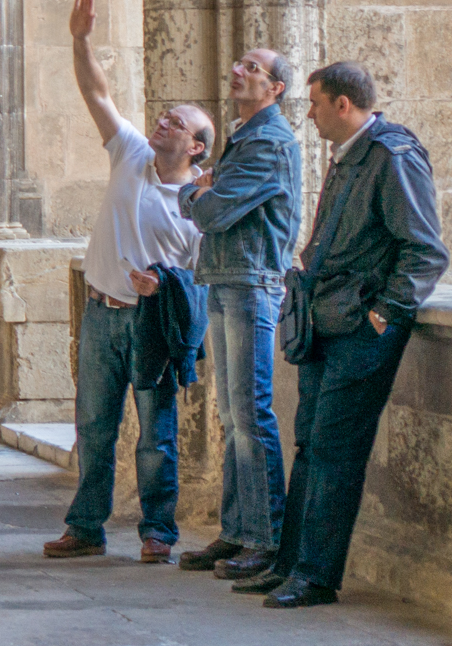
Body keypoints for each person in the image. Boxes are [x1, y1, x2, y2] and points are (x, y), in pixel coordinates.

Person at [231, 62, 448, 608]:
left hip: (361, 329)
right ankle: (291, 565)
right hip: (326, 322)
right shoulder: (350, 155)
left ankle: (316, 576)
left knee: (334, 450)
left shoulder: (392, 156)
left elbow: (424, 250)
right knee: (309, 443)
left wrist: (384, 313)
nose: (308, 114)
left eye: (315, 103)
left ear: (344, 105)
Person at [43, 0, 214, 564]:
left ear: (195, 147)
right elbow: (97, 93)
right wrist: (81, 39)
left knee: (155, 438)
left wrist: (162, 286)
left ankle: (157, 531)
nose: (163, 120)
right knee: (93, 426)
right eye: (165, 115)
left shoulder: (198, 207)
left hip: (150, 325)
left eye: (178, 123)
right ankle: (86, 526)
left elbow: (200, 282)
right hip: (100, 313)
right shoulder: (131, 154)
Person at [176, 48, 301, 579]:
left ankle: (266, 539)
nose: (238, 70)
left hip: (252, 284)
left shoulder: (269, 142)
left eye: (254, 68)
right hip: (227, 280)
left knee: (251, 414)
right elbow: (214, 206)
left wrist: (191, 189)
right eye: (240, 63)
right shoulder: (244, 137)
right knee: (232, 417)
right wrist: (203, 192)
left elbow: (214, 209)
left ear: (276, 88)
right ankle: (235, 532)